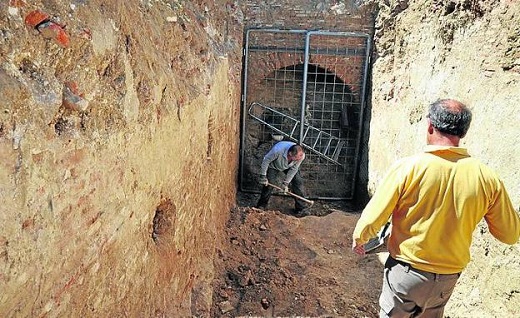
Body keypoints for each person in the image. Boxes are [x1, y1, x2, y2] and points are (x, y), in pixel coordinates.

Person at [352, 99, 520, 318]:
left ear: (430, 126)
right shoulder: (487, 178)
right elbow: (509, 234)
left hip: (406, 272)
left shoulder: (409, 167)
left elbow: (375, 214)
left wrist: (360, 237)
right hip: (447, 279)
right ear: (464, 132)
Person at [256, 141, 309, 216]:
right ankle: (261, 205)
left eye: (300, 156)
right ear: (290, 154)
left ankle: (301, 208)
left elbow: (294, 169)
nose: (299, 159)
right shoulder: (277, 151)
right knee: (269, 185)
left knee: (298, 181)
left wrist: (286, 183)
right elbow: (266, 160)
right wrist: (263, 176)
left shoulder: (301, 156)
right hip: (274, 165)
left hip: (289, 166)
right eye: (297, 157)